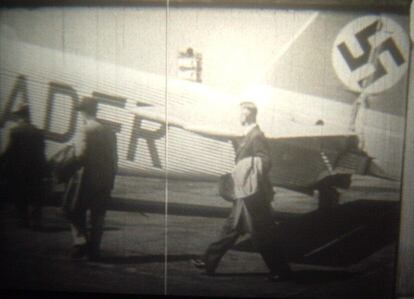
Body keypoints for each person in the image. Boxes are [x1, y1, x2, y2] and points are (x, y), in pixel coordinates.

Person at [191, 101, 292, 281]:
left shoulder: (256, 136)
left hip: (252, 195)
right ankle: (208, 261)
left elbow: (265, 161)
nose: (239, 116)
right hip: (244, 192)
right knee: (231, 228)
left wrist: (244, 171)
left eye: (241, 113)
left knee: (262, 234)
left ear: (248, 115)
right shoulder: (247, 135)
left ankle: (281, 271)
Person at [65, 97, 117, 261]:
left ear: (83, 112)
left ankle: (81, 241)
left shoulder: (85, 130)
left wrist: (65, 169)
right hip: (105, 180)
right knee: (98, 216)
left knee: (72, 209)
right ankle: (94, 251)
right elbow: (115, 158)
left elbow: (81, 155)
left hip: (86, 179)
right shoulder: (109, 131)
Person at [0, 103, 48, 229]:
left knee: (20, 195)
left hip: (18, 170)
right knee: (35, 196)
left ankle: (23, 220)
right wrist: (45, 170)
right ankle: (36, 221)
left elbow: (9, 151)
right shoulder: (38, 132)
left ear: (20, 116)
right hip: (35, 170)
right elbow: (42, 152)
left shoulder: (15, 131)